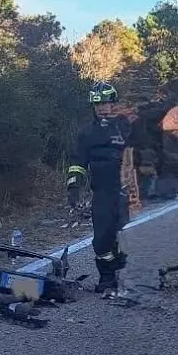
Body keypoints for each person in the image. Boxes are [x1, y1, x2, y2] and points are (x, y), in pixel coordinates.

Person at [67, 81, 132, 293]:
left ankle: (132, 272)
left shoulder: (127, 126)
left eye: (106, 103)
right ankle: (107, 278)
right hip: (102, 191)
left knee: (126, 232)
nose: (102, 108)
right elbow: (78, 161)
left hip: (127, 190)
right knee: (102, 237)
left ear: (114, 103)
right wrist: (74, 185)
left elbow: (143, 153)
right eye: (98, 104)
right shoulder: (86, 133)